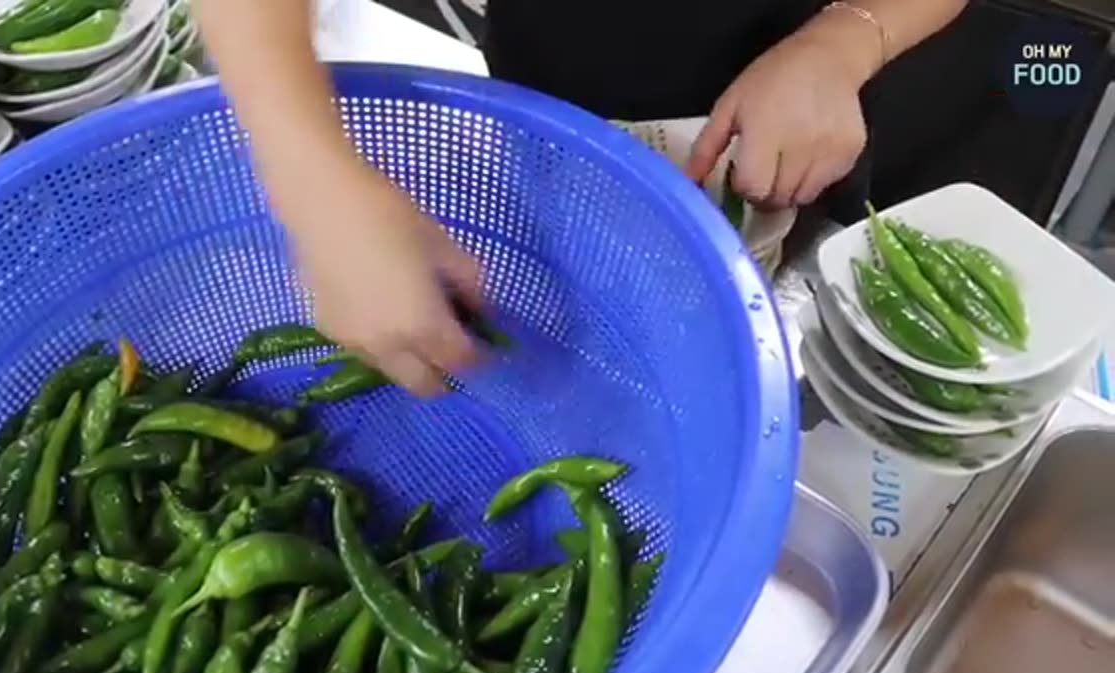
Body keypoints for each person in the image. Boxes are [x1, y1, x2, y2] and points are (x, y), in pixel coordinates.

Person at [196, 0, 968, 395]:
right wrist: (314, 184)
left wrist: (844, 41)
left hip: (801, 122)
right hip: (553, 110)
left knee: (720, 327)